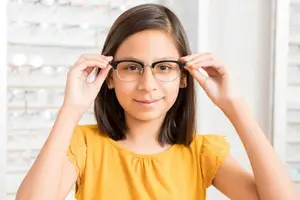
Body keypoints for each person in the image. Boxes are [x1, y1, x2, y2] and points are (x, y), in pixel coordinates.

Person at [16, 3, 298, 200]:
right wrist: (70, 110)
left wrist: (235, 106)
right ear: (109, 77)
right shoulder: (84, 146)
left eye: (163, 67)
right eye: (132, 67)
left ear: (184, 77)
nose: (147, 85)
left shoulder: (202, 152)